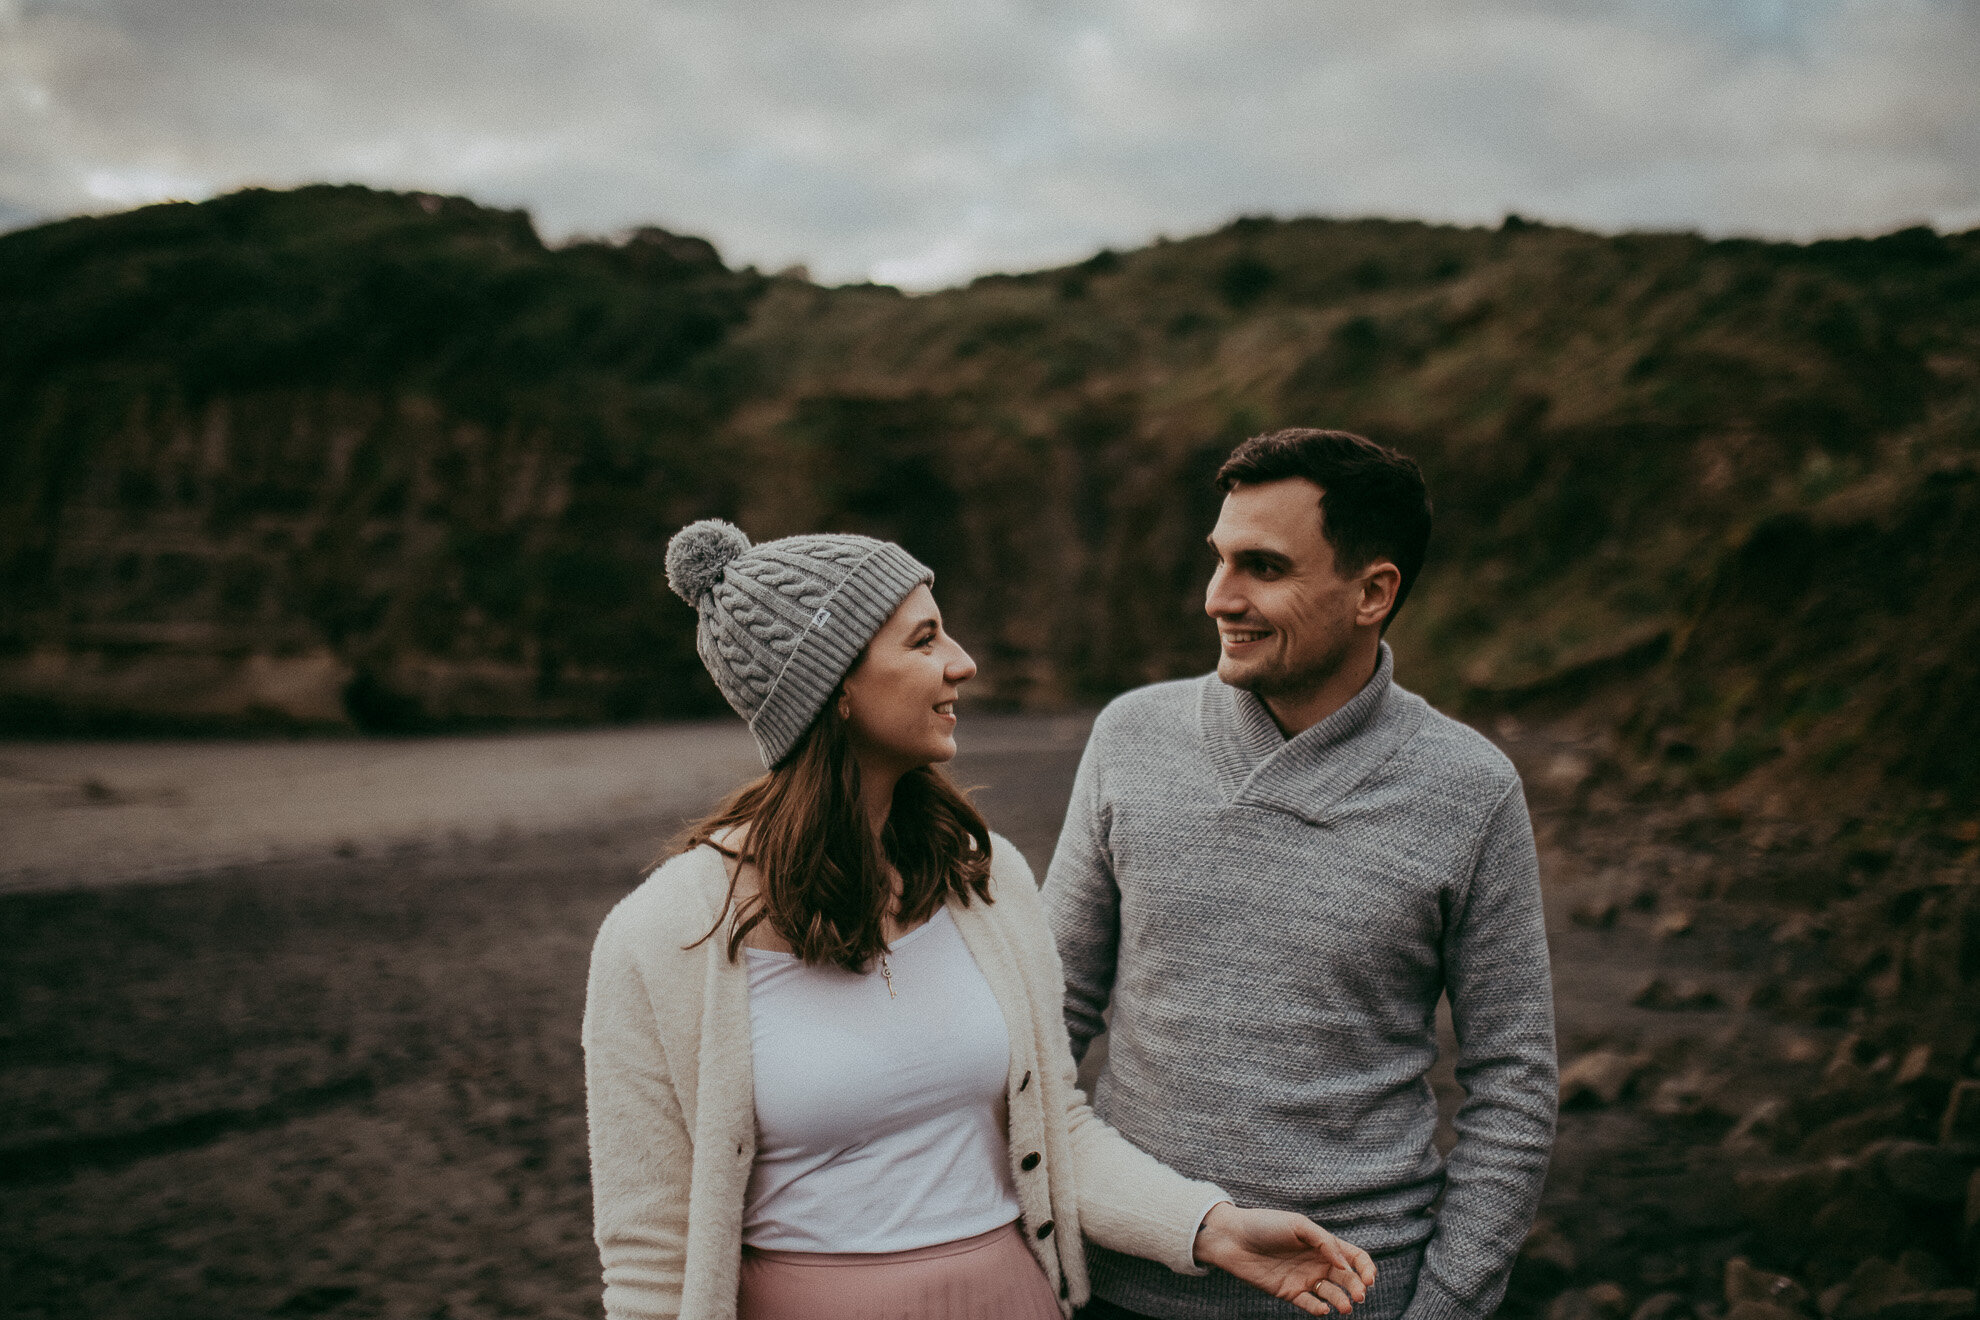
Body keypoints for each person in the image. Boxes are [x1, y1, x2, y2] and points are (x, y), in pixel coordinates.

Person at [583, 519, 1381, 1320]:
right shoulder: (660, 938)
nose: (961, 662)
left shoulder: (986, 877)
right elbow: (651, 1257)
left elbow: (1054, 1127)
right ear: (836, 689)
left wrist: (1208, 1227)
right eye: (923, 640)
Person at [1044, 429, 1558, 1320]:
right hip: (1123, 1287)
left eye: (1263, 568)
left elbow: (1515, 1083)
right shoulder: (1131, 736)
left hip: (1359, 1299)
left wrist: (1443, 1308)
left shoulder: (1469, 788)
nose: (1219, 598)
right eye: (1219, 561)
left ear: (1372, 592)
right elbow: (1046, 1013)